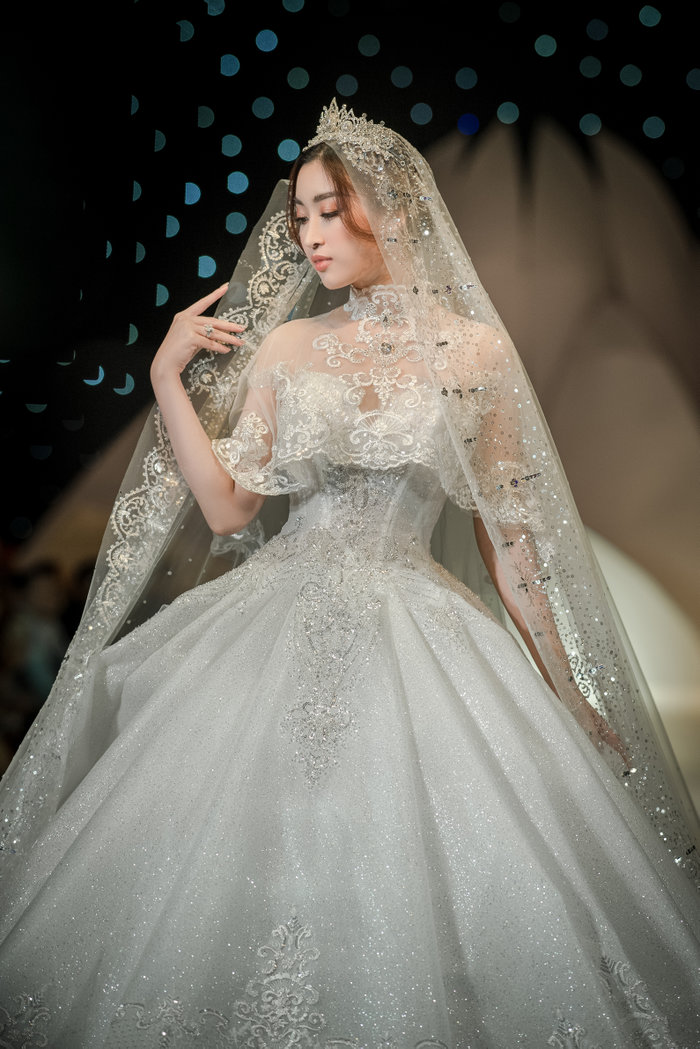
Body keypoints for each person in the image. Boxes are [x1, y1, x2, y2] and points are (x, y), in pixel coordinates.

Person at [0, 101, 698, 1048]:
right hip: (274, 617)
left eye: (332, 211)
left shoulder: (475, 353)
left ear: (396, 210)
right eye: (301, 216)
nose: (311, 236)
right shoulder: (289, 347)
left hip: (419, 628)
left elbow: (513, 545)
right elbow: (229, 509)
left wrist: (568, 690)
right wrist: (166, 380)